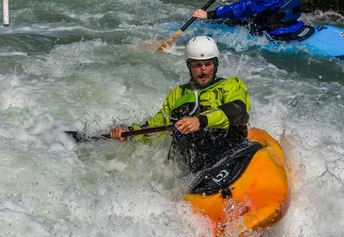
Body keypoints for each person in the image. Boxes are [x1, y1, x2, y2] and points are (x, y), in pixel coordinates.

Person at [110, 35, 262, 195]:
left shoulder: (230, 85)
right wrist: (128, 132)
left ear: (215, 65)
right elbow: (157, 125)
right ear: (189, 66)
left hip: (234, 154)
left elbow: (238, 111)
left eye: (208, 64)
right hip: (200, 169)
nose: (203, 70)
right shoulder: (177, 94)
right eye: (197, 65)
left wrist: (200, 120)